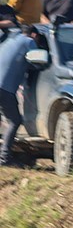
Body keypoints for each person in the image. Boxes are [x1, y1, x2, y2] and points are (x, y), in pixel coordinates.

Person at [0, 24, 38, 166]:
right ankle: (4, 158)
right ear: (34, 35)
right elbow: (38, 62)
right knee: (14, 121)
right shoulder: (28, 41)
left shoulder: (10, 40)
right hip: (4, 88)